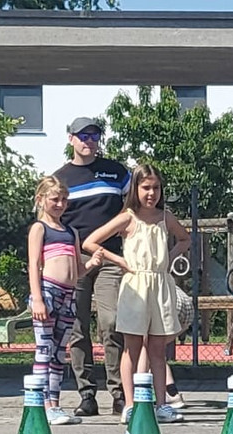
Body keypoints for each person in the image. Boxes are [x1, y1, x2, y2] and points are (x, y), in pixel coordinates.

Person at [52, 117, 183, 417]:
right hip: (76, 256)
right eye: (83, 135)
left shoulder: (116, 171)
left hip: (113, 258)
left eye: (94, 135)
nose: (89, 141)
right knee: (77, 326)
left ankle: (120, 395)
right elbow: (54, 213)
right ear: (71, 139)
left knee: (112, 323)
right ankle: (86, 394)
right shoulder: (61, 177)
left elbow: (137, 204)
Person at [82, 163, 191, 425]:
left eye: (156, 188)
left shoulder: (165, 217)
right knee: (131, 348)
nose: (151, 193)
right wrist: (118, 260)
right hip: (135, 285)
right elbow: (90, 242)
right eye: (146, 187)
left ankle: (161, 404)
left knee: (157, 349)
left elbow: (185, 239)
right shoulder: (128, 218)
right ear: (136, 189)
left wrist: (169, 258)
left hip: (160, 284)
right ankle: (129, 405)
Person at [25, 175, 84, 426]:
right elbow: (33, 265)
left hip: (68, 295)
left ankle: (55, 404)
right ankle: (43, 404)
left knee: (59, 352)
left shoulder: (71, 232)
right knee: (45, 349)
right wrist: (38, 298)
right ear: (41, 200)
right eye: (55, 199)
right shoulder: (40, 229)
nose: (60, 204)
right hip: (48, 291)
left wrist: (93, 263)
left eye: (64, 199)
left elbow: (78, 269)